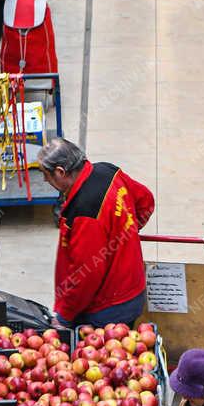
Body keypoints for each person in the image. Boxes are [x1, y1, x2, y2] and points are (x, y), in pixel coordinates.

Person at [38, 137, 155, 329]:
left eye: (46, 175)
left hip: (106, 309)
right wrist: (126, 234)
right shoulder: (107, 171)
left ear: (60, 172)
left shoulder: (86, 211)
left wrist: (65, 317)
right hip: (133, 288)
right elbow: (146, 200)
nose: (45, 180)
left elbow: (86, 275)